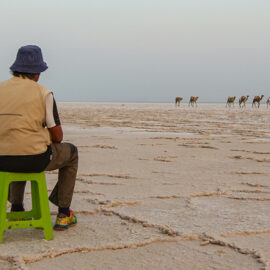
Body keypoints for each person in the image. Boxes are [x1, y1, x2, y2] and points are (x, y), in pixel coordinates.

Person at [0, 45, 78, 230]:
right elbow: (58, 136)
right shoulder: (44, 93)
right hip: (34, 159)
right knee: (72, 153)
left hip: (2, 160)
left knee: (16, 149)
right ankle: (64, 213)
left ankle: (17, 209)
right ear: (37, 73)